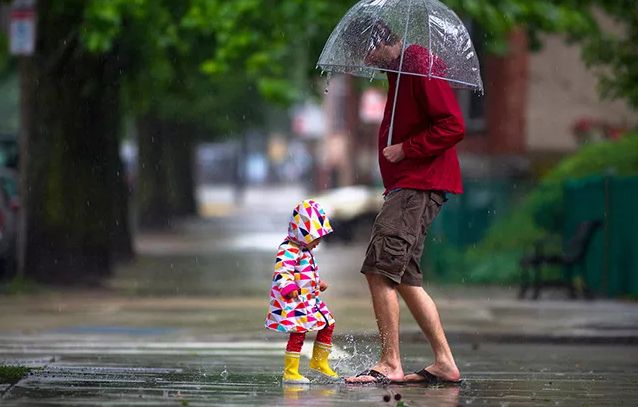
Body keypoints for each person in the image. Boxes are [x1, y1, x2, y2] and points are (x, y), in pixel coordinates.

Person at [342, 17, 464, 385]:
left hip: (418, 184)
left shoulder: (418, 65)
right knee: (406, 278)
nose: (366, 60)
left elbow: (453, 124)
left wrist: (406, 149)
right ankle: (444, 362)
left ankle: (389, 363)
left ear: (381, 40)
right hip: (407, 185)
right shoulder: (400, 70)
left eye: (367, 51)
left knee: (379, 268)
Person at [265, 199, 339, 384]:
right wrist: (289, 287)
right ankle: (291, 372)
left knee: (328, 323)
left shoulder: (304, 250)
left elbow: (304, 273)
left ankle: (319, 361)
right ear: (304, 233)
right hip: (295, 302)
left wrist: (316, 283)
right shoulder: (289, 249)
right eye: (316, 238)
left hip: (309, 300)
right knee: (298, 333)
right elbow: (283, 271)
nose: (317, 243)